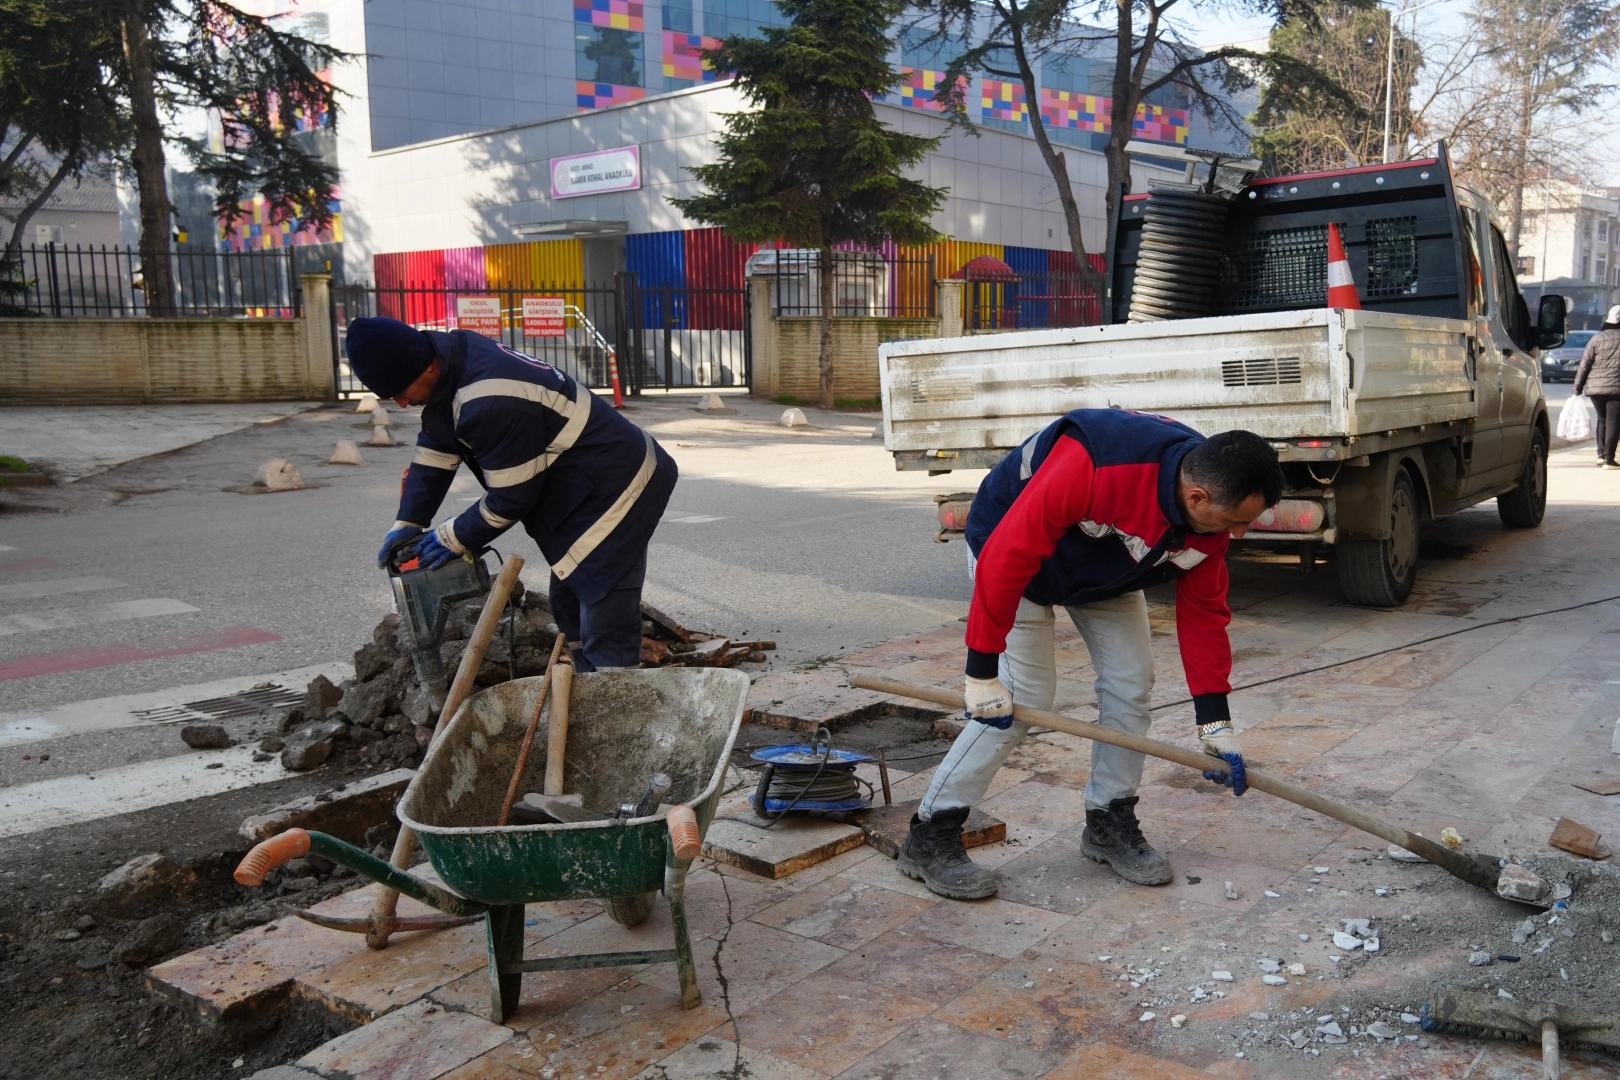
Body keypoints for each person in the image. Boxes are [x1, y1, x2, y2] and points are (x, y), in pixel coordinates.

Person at [898, 409, 1284, 899]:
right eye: (1237, 522)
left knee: (1131, 682)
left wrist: (1216, 725)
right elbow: (1006, 557)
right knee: (1021, 698)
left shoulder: (1209, 524)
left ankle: (1109, 821)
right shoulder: (1095, 465)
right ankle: (931, 834)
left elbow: (1206, 615)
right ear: (1197, 497)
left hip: (1107, 570)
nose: (1241, 534)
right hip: (1010, 554)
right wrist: (981, 671)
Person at [347, 316, 677, 671]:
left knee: (602, 593)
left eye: (400, 390)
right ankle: (585, 681)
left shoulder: (490, 398)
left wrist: (452, 537)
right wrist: (409, 519)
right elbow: (437, 446)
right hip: (582, 481)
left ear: (426, 366)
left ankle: (615, 698)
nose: (399, 403)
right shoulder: (454, 356)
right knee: (570, 593)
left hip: (620, 482)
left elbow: (510, 500)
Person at [1573, 305, 1620, 470]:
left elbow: (1585, 364)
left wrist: (1577, 388)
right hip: (1617, 389)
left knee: (1602, 419)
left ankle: (1600, 455)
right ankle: (1609, 459)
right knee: (1614, 422)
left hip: (1596, 388)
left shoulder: (1597, 339)